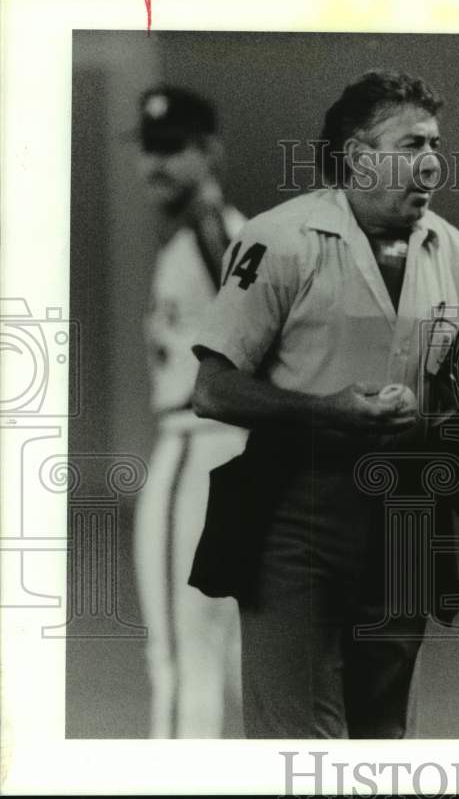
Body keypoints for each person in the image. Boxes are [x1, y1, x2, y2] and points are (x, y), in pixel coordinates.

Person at [190, 69, 459, 739]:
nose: (431, 163)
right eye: (411, 145)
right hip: (296, 508)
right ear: (357, 156)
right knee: (298, 749)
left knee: (386, 744)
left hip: (406, 517)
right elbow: (212, 388)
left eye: (435, 145)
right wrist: (330, 411)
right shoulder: (280, 239)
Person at [131, 85, 247, 738]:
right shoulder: (216, 232)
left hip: (198, 451)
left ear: (210, 152)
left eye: (172, 147)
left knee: (180, 661)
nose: (154, 163)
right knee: (233, 663)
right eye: (149, 148)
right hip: (235, 456)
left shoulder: (210, 229)